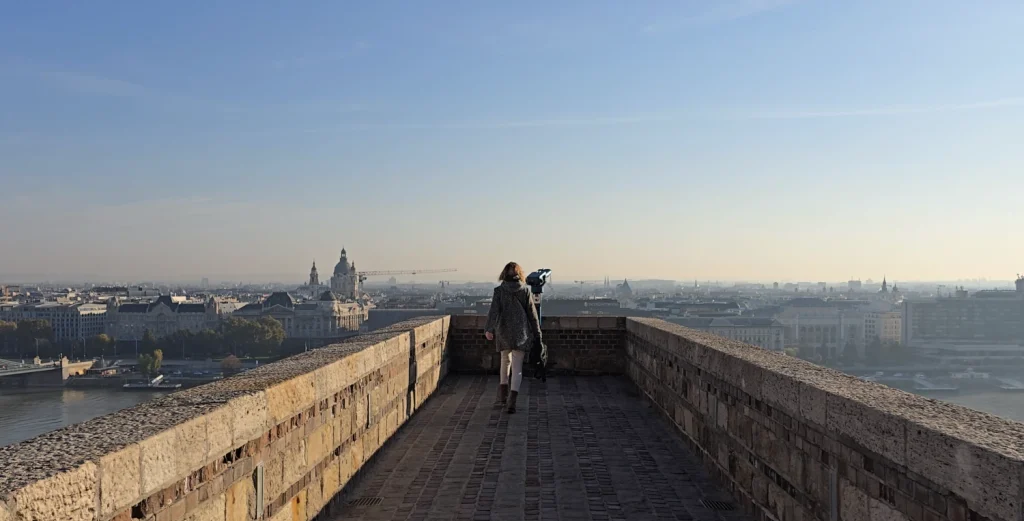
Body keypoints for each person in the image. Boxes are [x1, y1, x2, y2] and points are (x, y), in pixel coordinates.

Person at [485, 261, 543, 413]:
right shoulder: (524, 290)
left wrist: (489, 329)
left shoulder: (499, 291)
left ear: (504, 274)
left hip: (503, 331)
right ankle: (512, 401)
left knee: (505, 361)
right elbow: (532, 315)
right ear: (519, 274)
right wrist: (537, 333)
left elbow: (494, 311)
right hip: (521, 333)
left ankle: (502, 395)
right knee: (517, 367)